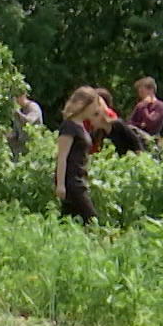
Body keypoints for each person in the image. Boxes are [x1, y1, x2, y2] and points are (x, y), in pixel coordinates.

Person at [55, 86, 102, 223]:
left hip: (80, 179)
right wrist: (60, 185)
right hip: (72, 182)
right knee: (92, 220)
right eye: (95, 105)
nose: (97, 109)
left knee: (67, 221)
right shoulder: (69, 126)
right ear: (85, 104)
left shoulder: (81, 125)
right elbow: (62, 156)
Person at [9, 91, 44, 156]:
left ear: (24, 95)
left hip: (33, 149)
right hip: (21, 151)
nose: (15, 100)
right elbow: (16, 132)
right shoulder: (19, 111)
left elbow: (28, 121)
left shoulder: (33, 107)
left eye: (17, 96)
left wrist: (17, 112)